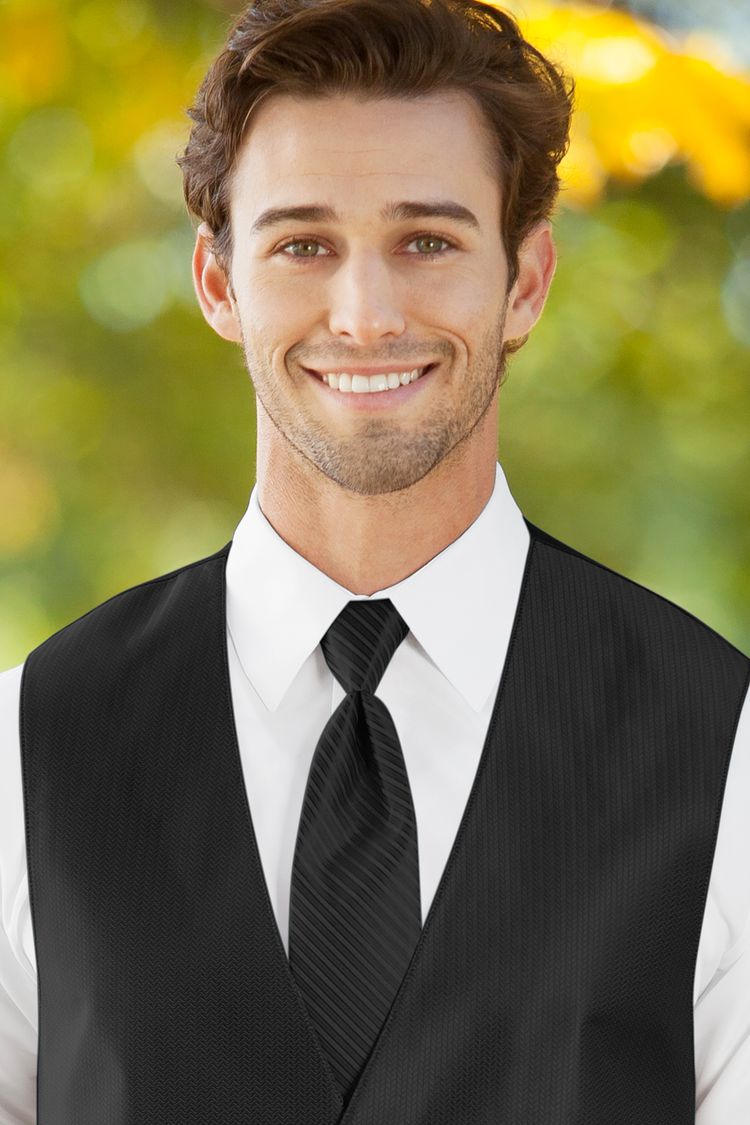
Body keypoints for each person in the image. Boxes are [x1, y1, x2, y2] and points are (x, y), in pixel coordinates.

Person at [0, 0, 748, 1120]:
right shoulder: (28, 746)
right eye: (303, 244)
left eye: (427, 242)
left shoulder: (727, 752)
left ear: (526, 281)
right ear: (220, 283)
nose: (364, 315)